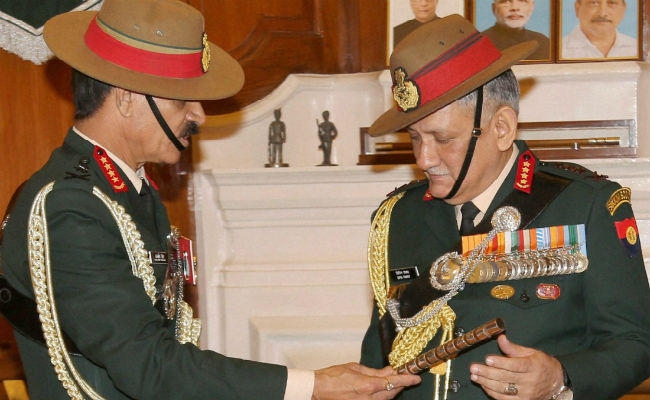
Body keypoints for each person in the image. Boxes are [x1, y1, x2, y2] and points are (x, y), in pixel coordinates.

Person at [0, 0, 421, 399]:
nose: (199, 114)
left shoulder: (125, 190)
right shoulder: (69, 206)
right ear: (126, 97)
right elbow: (148, 365)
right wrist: (313, 385)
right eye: (182, 98)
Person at [360, 14, 650, 400]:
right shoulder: (398, 217)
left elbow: (636, 344)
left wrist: (561, 378)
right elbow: (378, 360)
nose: (424, 158)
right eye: (415, 138)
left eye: (442, 139)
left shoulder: (585, 206)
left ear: (501, 128)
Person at [562, 0, 637, 59]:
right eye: (594, 3)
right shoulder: (559, 51)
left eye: (612, 3)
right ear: (577, 8)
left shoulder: (637, 49)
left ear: (623, 9)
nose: (602, 13)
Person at [482, 0, 550, 61]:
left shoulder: (544, 43)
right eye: (505, 1)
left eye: (523, 1)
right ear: (494, 8)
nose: (515, 8)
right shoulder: (479, 45)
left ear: (532, 7)